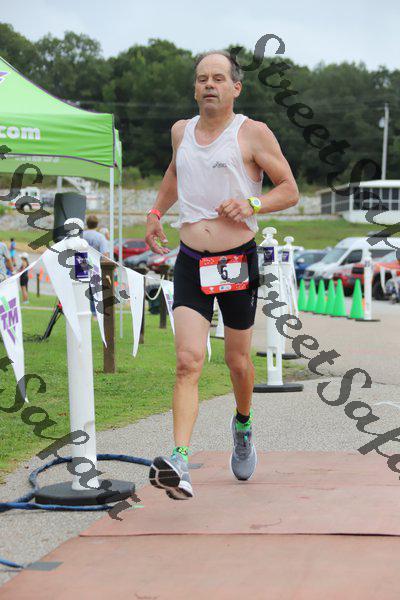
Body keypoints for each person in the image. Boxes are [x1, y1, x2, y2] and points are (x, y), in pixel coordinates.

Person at [146, 50, 299, 500]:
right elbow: (175, 172)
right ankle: (179, 458)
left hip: (236, 262)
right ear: (195, 88)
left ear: (236, 87)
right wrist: (156, 212)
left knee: (237, 361)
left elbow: (290, 189)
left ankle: (243, 424)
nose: (208, 85)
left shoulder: (252, 133)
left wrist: (252, 203)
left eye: (218, 78)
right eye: (201, 79)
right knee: (188, 360)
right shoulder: (181, 131)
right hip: (191, 261)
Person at [82, 215, 109, 317]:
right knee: (95, 291)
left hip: (81, 265)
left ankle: (84, 311)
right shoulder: (100, 237)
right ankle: (94, 313)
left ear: (87, 224)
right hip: (95, 266)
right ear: (97, 224)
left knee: (83, 289)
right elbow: (105, 254)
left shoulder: (81, 236)